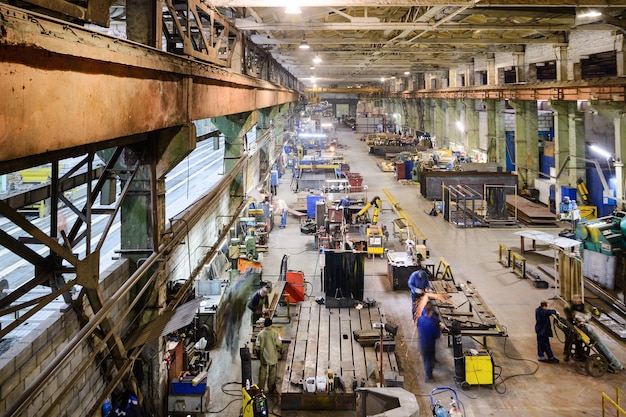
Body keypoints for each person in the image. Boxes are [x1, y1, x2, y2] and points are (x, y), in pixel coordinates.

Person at [255, 318, 282, 393]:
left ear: (264, 325)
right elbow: (279, 344)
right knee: (272, 372)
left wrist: (258, 353)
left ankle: (260, 388)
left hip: (263, 356)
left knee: (262, 372)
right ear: (271, 324)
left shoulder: (260, 334)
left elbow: (257, 346)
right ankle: (271, 388)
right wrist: (279, 348)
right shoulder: (275, 333)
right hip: (272, 356)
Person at [417, 302, 442, 381]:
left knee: (425, 359)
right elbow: (437, 335)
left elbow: (418, 324)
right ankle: (429, 376)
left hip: (422, 342)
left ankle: (428, 371)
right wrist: (440, 328)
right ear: (431, 311)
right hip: (430, 344)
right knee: (429, 360)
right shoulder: (432, 323)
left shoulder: (421, 319)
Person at [563, 294, 590, 361]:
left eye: (579, 300)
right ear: (574, 300)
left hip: (579, 324)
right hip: (570, 323)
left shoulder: (583, 306)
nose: (578, 301)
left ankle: (579, 353)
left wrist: (584, 318)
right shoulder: (568, 305)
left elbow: (587, 313)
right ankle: (566, 353)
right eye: (577, 300)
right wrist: (576, 316)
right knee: (569, 338)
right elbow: (570, 313)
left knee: (580, 339)